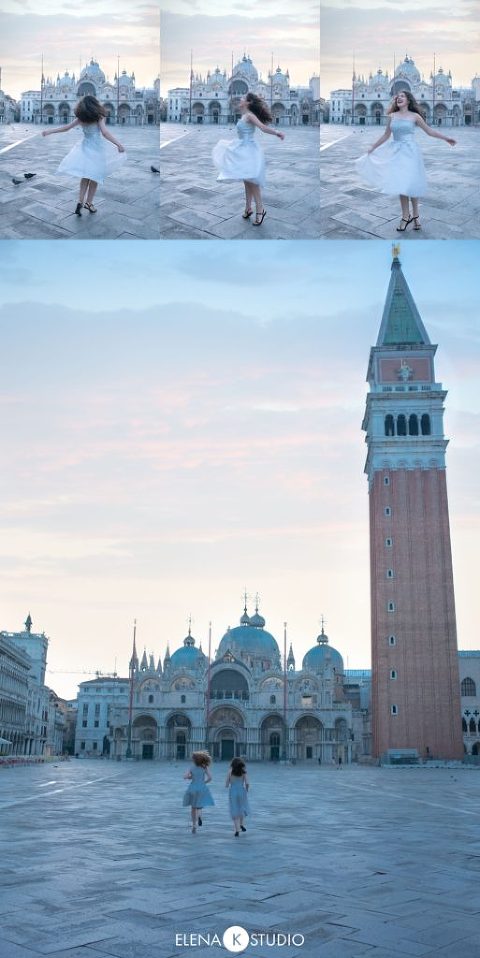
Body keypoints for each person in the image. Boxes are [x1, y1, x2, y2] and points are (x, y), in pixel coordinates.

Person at [355, 90, 456, 232]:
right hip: (396, 153)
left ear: (408, 100)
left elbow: (430, 131)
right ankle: (405, 216)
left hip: (411, 152)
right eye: (397, 97)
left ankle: (416, 216)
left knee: (412, 183)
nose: (398, 98)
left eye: (402, 96)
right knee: (402, 184)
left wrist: (446, 138)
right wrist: (373, 146)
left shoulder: (415, 116)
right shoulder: (391, 116)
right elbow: (386, 135)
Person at [42, 95, 126, 216]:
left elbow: (66, 128)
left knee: (85, 176)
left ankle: (80, 201)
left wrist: (49, 131)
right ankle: (89, 203)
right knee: (95, 176)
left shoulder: (81, 118)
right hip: (97, 149)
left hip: (85, 148)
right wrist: (118, 144)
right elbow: (105, 133)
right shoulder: (99, 117)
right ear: (95, 105)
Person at [212, 92, 285, 226]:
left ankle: (260, 210)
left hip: (249, 150)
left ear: (248, 102)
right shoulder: (244, 115)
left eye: (243, 98)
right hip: (242, 149)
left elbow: (262, 127)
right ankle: (248, 208)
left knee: (252, 181)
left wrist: (277, 133)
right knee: (247, 180)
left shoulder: (250, 116)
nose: (240, 98)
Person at [183, 750, 214, 833]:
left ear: (195, 759)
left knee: (193, 807)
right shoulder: (204, 767)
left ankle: (194, 825)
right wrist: (204, 782)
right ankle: (199, 816)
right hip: (201, 787)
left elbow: (185, 776)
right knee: (199, 805)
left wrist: (190, 777)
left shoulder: (191, 767)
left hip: (193, 787)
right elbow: (210, 778)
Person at [225, 757, 250, 837]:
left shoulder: (230, 771)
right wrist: (246, 790)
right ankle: (241, 824)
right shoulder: (244, 772)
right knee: (241, 808)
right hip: (241, 791)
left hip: (233, 791)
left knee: (234, 810)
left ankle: (237, 830)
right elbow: (247, 783)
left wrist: (230, 783)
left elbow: (226, 784)